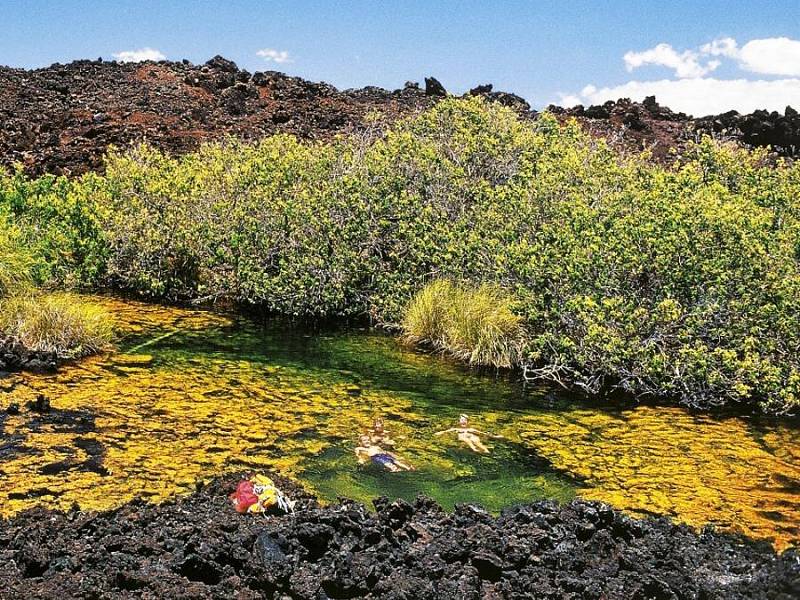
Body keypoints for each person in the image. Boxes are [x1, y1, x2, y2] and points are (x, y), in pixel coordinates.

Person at [434, 414, 501, 454]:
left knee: (476, 440)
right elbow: (446, 431)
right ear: (459, 422)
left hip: (471, 436)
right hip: (463, 438)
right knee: (466, 439)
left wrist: (495, 437)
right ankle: (474, 449)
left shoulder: (471, 429)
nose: (463, 422)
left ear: (468, 422)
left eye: (465, 420)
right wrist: (440, 432)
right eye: (462, 420)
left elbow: (483, 433)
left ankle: (486, 450)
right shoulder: (456, 428)